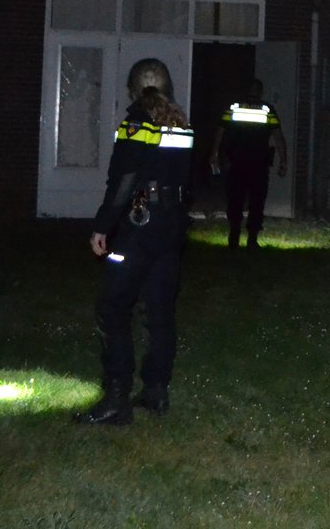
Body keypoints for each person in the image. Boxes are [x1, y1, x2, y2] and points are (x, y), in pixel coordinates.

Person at [76, 58, 194, 425]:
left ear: (132, 89)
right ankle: (156, 391)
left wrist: (102, 227)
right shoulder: (181, 124)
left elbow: (123, 182)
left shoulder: (134, 125)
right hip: (171, 226)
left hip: (138, 226)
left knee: (113, 306)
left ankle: (116, 397)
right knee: (159, 311)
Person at [209, 79, 287, 249]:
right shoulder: (267, 110)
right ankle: (252, 238)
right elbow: (278, 136)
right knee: (257, 200)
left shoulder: (234, 108)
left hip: (236, 161)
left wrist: (214, 153)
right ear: (261, 92)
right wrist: (283, 160)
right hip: (259, 163)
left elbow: (220, 131)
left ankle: (234, 234)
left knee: (235, 198)